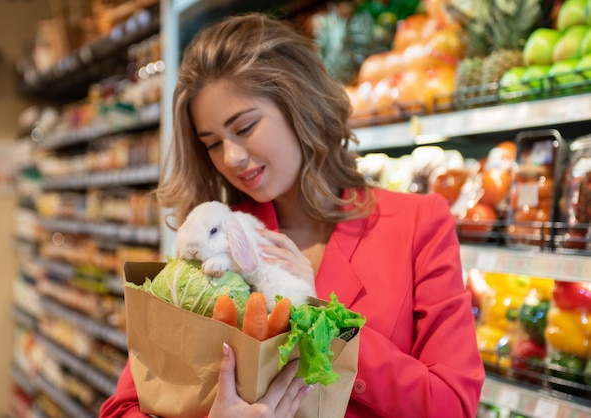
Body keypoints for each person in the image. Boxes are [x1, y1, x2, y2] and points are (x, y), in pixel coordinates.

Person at [100, 12, 485, 418]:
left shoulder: (418, 223)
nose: (231, 158)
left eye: (245, 128)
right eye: (212, 144)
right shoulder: (213, 241)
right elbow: (124, 406)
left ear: (299, 103)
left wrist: (328, 325)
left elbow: (453, 405)